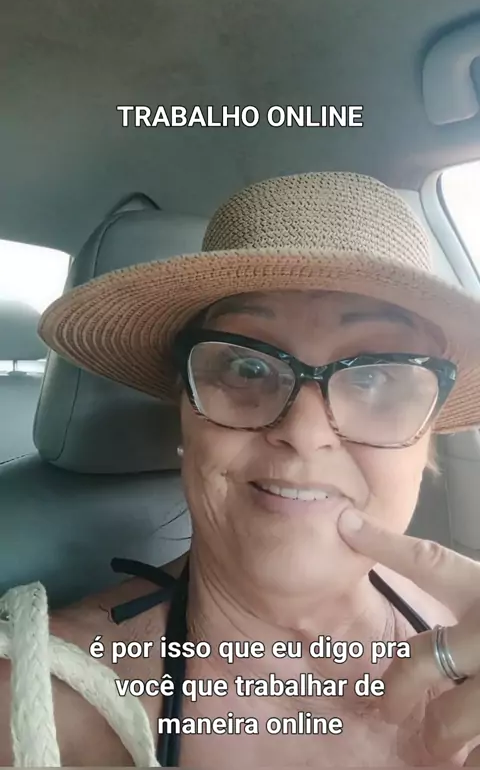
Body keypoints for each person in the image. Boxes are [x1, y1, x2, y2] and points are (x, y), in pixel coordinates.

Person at [1, 171, 480, 767]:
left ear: (426, 442)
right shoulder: (36, 706)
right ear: (186, 416)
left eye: (376, 376)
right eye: (248, 368)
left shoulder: (463, 624)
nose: (304, 433)